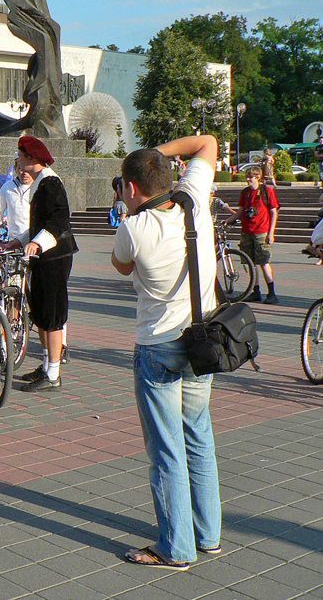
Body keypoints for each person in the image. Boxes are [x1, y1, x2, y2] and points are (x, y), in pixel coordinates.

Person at [111, 134, 221, 571]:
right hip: (201, 341)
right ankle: (208, 535)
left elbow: (122, 265)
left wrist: (126, 212)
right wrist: (160, 154)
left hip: (158, 346)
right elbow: (207, 142)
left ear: (131, 188)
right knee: (199, 436)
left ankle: (176, 548)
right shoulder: (193, 198)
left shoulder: (133, 229)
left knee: (166, 450)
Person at [13, 136, 77, 391]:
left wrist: (37, 243)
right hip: (43, 256)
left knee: (52, 315)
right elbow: (38, 225)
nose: (18, 160)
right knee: (40, 313)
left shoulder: (50, 182)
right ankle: (46, 365)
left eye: (20, 156)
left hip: (55, 256)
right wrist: (20, 240)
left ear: (32, 158)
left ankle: (53, 374)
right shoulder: (41, 181)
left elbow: (58, 222)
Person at [225, 166, 280, 304]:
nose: (248, 180)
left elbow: (273, 212)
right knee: (250, 263)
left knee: (264, 262)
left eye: (251, 177)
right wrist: (227, 221)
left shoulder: (267, 190)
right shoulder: (245, 192)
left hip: (261, 231)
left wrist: (271, 233)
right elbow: (240, 211)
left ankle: (271, 293)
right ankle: (256, 292)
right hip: (246, 231)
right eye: (247, 177)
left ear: (258, 177)